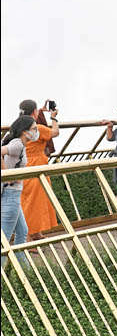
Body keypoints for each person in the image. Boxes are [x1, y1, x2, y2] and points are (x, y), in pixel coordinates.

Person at [20, 100, 60, 241]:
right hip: (37, 166)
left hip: (25, 165)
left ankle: (36, 232)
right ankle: (28, 237)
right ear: (34, 112)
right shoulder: (37, 129)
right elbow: (55, 132)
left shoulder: (20, 126)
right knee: (33, 202)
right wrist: (54, 117)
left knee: (33, 200)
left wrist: (42, 111)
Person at [1, 115, 35, 258]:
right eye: (34, 129)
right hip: (11, 194)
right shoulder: (17, 144)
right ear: (24, 131)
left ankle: (23, 272)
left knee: (22, 232)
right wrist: (7, 175)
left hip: (13, 193)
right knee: (5, 241)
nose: (36, 132)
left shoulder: (19, 143)